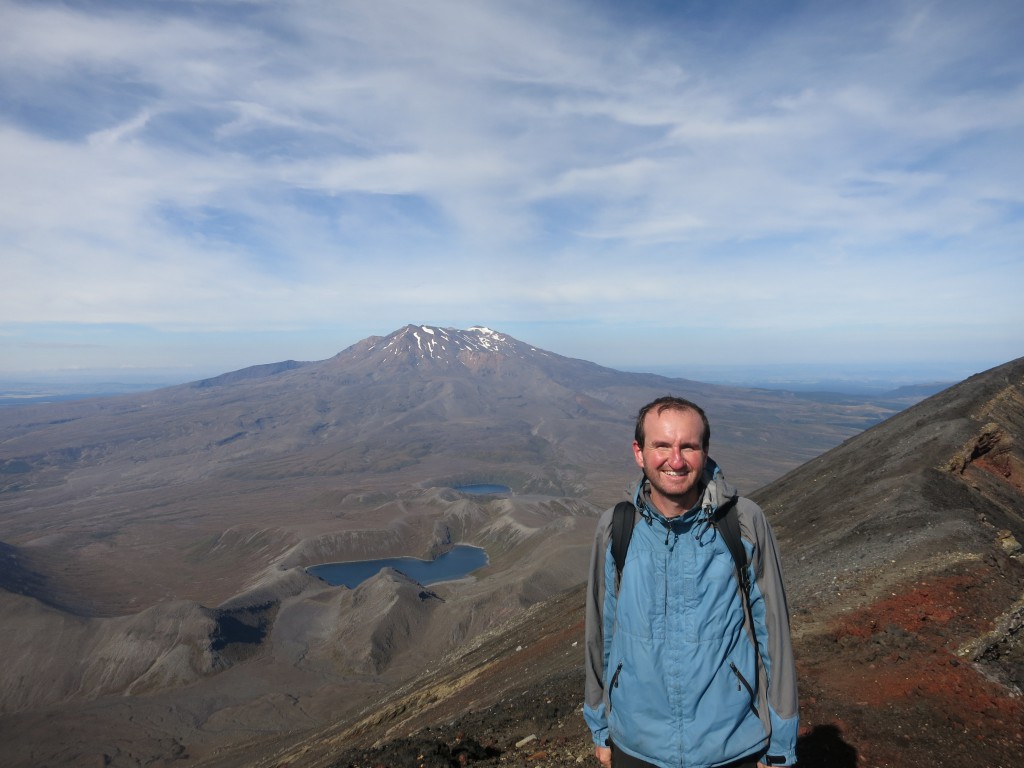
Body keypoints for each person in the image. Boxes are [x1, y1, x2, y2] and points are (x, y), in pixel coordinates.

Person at [584, 396, 799, 768]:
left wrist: (781, 742)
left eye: (689, 446)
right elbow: (600, 632)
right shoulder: (616, 528)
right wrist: (600, 725)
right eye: (662, 446)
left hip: (733, 744)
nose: (676, 460)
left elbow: (774, 636)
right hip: (636, 745)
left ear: (705, 451)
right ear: (639, 453)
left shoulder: (743, 521)